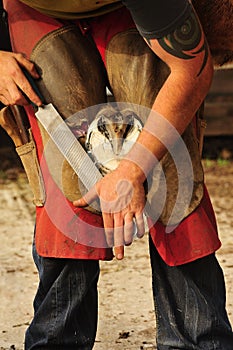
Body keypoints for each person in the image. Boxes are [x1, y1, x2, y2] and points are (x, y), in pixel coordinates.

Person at [0, 0, 233, 349]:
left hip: (133, 10)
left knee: (172, 175)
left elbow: (191, 69)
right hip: (35, 9)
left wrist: (133, 169)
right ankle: (57, 340)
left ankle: (199, 339)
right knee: (67, 174)